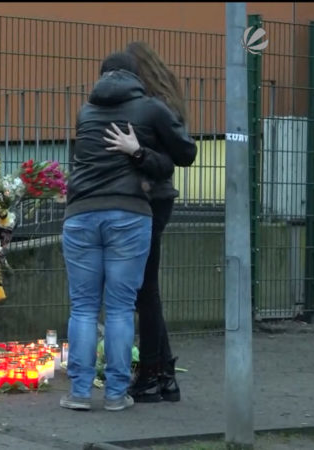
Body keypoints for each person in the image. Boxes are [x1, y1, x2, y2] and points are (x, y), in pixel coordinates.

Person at [60, 52, 196, 412]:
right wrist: (140, 153)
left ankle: (79, 393)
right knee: (120, 308)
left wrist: (138, 152)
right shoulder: (151, 109)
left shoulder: (85, 112)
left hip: (81, 215)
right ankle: (117, 394)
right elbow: (183, 154)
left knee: (83, 308)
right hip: (128, 214)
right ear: (137, 78)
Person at [105, 41, 194, 403]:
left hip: (149, 200)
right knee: (146, 289)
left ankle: (153, 374)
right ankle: (162, 374)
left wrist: (138, 153)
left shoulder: (149, 107)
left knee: (146, 290)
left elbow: (180, 153)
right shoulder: (162, 103)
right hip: (154, 198)